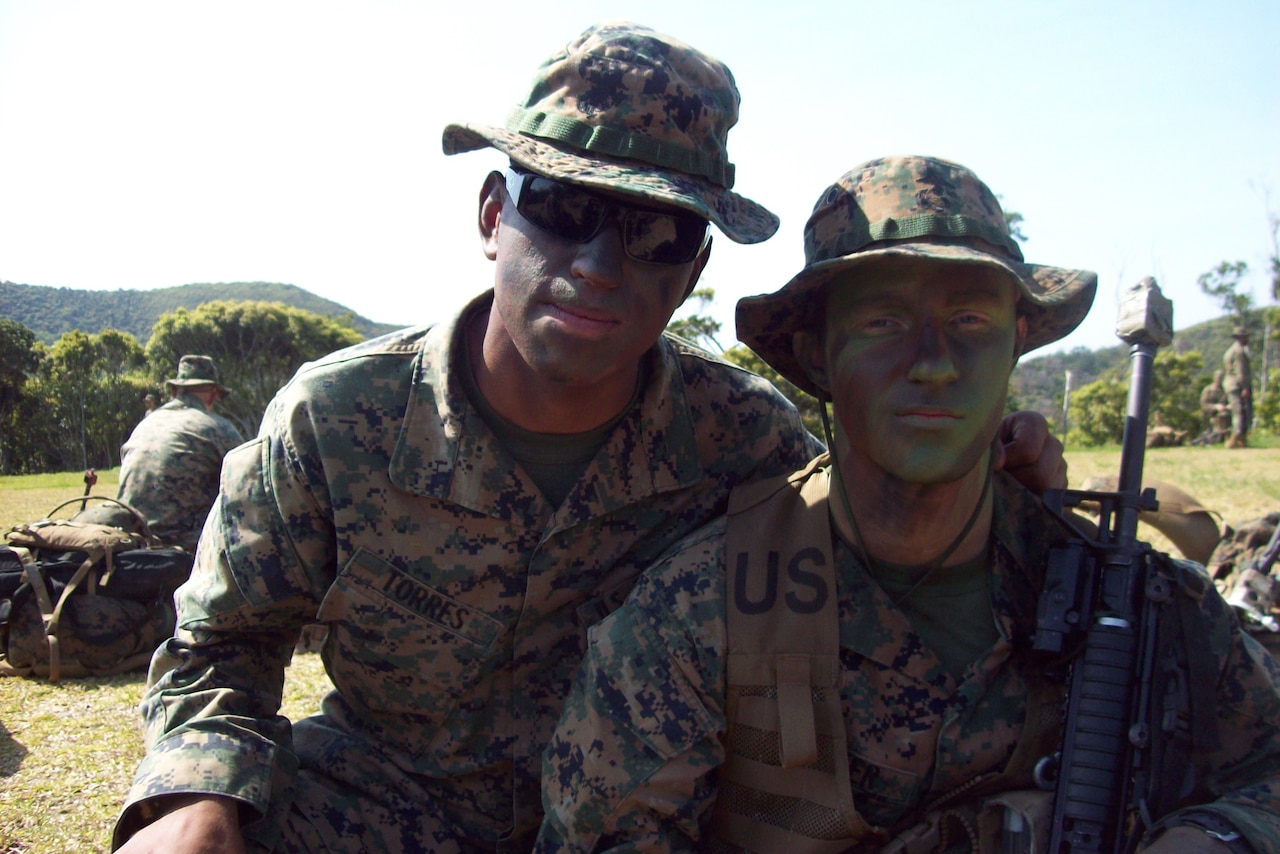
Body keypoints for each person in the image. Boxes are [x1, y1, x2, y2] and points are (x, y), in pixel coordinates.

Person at [112, 28, 1065, 854]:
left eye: (655, 232)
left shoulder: (747, 442)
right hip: (376, 812)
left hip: (654, 823)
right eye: (565, 210)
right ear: (494, 215)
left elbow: (881, 562)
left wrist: (994, 488)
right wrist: (198, 792)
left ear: (693, 268)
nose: (602, 266)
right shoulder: (338, 418)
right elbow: (221, 642)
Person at [538, 156, 1280, 853]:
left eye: (971, 323)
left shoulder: (1131, 600)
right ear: (821, 353)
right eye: (884, 323)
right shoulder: (699, 613)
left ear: (1018, 342)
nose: (932, 362)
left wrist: (1212, 838)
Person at [79, 354, 244, 553]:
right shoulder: (219, 428)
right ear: (213, 394)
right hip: (187, 546)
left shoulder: (145, 425)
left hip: (131, 539)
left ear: (174, 391)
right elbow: (245, 486)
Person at [1223, 326, 1253, 448]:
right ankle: (1235, 439)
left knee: (1238, 411)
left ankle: (1240, 440)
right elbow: (1241, 372)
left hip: (1231, 385)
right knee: (1240, 412)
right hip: (1237, 385)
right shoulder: (1239, 352)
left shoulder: (1230, 351)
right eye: (1246, 336)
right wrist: (1245, 388)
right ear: (1241, 337)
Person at [1198, 369, 1231, 444]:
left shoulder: (1226, 390)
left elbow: (1229, 401)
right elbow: (1204, 405)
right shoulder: (1208, 390)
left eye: (1221, 378)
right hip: (1211, 415)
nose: (1219, 379)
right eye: (1218, 377)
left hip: (1225, 414)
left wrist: (1228, 406)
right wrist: (1215, 407)